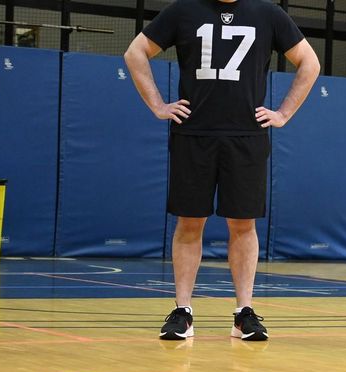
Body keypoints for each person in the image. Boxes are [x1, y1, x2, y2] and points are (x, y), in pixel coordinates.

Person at [124, 0, 319, 341]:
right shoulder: (184, 10)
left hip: (246, 136)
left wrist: (284, 113)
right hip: (193, 134)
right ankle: (182, 310)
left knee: (243, 225)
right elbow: (135, 52)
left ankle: (244, 312)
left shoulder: (268, 13)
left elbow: (309, 62)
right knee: (189, 222)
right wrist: (157, 104)